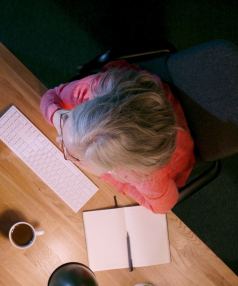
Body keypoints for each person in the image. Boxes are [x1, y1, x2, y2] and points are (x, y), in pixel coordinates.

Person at [40, 60, 195, 214]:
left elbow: (162, 206)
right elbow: (51, 96)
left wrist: (108, 178)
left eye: (72, 154)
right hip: (136, 95)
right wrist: (58, 117)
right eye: (67, 117)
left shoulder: (147, 175)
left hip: (169, 142)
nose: (58, 139)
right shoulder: (91, 91)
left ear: (115, 169)